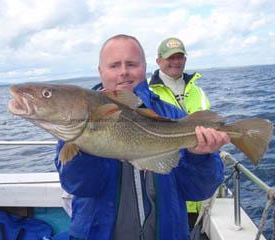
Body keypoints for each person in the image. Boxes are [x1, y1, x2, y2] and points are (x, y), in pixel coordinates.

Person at [54, 34, 230, 240]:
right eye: (114, 65)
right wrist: (85, 146)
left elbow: (198, 191)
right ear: (100, 71)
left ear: (145, 66)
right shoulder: (76, 121)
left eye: (131, 64)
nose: (123, 72)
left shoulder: (173, 115)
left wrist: (200, 158)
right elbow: (81, 186)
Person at [148, 37, 213, 229]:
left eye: (180, 57)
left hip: (197, 180)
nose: (176, 61)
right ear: (158, 60)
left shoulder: (198, 92)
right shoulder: (147, 92)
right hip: (164, 181)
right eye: (170, 57)